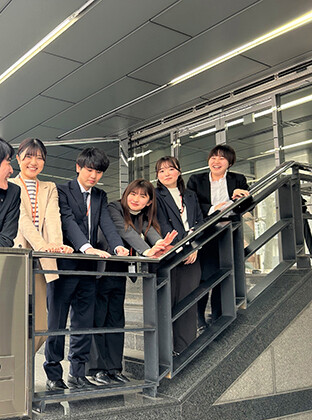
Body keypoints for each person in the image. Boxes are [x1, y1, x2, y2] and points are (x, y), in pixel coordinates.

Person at [43, 147, 129, 390]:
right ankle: (53, 374)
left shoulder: (100, 195)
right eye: (90, 170)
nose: (93, 176)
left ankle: (77, 373)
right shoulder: (61, 190)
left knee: (84, 322)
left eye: (98, 172)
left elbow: (106, 223)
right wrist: (86, 247)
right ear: (78, 167)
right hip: (65, 266)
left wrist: (118, 247)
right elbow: (67, 222)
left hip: (90, 269)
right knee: (57, 322)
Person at [89, 179, 171, 384]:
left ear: (149, 201)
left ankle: (114, 368)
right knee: (98, 317)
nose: (136, 199)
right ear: (126, 194)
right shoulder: (114, 208)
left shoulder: (143, 216)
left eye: (143, 196)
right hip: (102, 268)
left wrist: (161, 244)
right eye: (133, 194)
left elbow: (150, 232)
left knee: (116, 319)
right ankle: (97, 368)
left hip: (120, 270)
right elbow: (124, 230)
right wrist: (147, 250)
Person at [8, 138, 73, 353]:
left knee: (41, 326)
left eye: (39, 157)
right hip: (16, 258)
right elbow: (21, 219)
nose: (33, 162)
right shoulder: (9, 184)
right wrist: (42, 245)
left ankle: (22, 362)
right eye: (28, 156)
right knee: (13, 319)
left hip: (40, 260)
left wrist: (56, 245)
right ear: (18, 159)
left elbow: (53, 218)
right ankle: (14, 364)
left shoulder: (49, 187)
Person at [186, 144, 249, 329]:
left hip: (228, 234)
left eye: (222, 158)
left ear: (230, 162)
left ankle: (218, 316)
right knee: (203, 277)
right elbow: (192, 206)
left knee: (223, 275)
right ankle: (198, 318)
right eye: (213, 157)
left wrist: (240, 198)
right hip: (205, 233)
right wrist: (214, 209)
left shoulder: (238, 179)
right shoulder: (196, 180)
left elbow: (247, 206)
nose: (216, 161)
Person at [156, 156, 204, 354]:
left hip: (191, 256)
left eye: (171, 169)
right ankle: (165, 353)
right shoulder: (155, 195)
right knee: (165, 305)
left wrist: (194, 246)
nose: (166, 174)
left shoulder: (190, 195)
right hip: (168, 256)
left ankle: (185, 350)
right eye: (161, 171)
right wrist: (184, 247)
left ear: (179, 172)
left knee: (188, 303)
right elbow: (161, 224)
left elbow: (200, 221)